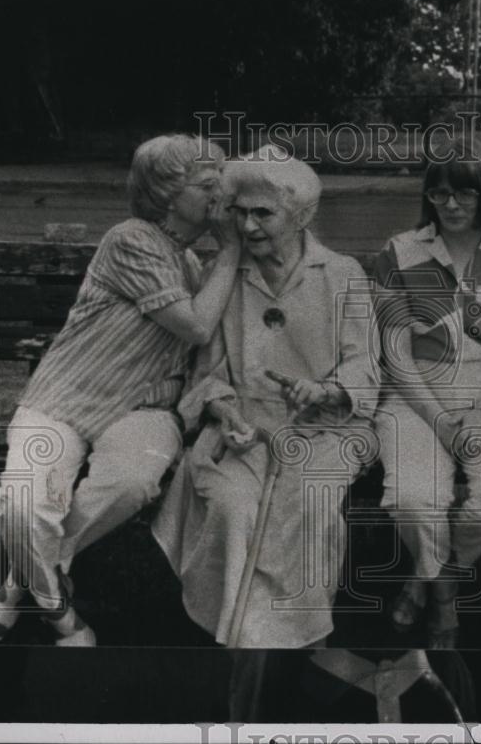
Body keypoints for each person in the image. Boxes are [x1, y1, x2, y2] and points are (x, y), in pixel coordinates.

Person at [0, 134, 242, 646]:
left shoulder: (190, 264)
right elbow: (194, 326)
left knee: (131, 481)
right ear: (168, 194)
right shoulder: (131, 239)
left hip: (144, 408)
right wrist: (230, 249)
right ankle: (59, 612)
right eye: (208, 185)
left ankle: (23, 577)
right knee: (22, 503)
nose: (219, 197)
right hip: (67, 395)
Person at [151, 146, 380, 649]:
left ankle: (305, 641)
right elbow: (204, 372)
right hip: (242, 431)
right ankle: (236, 640)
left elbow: (364, 365)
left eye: (263, 213)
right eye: (238, 212)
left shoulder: (341, 275)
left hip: (323, 429)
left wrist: (324, 390)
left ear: (301, 216)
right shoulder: (224, 276)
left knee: (308, 505)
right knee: (233, 507)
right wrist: (225, 409)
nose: (247, 226)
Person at [372, 135, 481, 649]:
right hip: (415, 394)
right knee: (412, 499)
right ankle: (444, 593)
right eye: (440, 193)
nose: (451, 205)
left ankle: (430, 576)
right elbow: (394, 351)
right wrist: (437, 417)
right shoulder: (399, 252)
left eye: (465, 194)